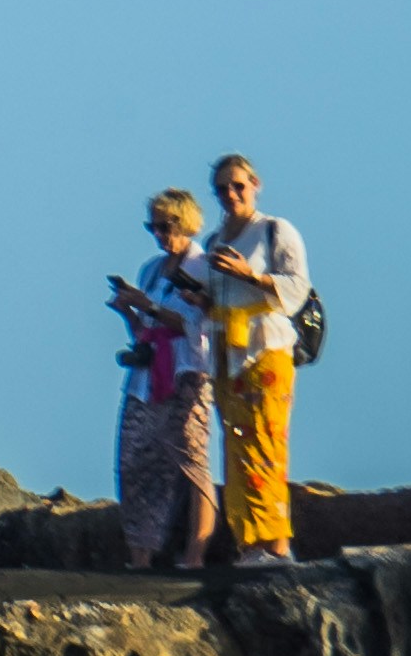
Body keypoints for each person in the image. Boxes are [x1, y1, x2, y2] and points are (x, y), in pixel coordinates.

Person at [195, 153, 313, 560]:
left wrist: (251, 275)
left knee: (266, 441)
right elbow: (216, 296)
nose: (231, 195)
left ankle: (276, 543)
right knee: (236, 445)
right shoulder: (214, 241)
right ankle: (248, 542)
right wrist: (200, 298)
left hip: (265, 348)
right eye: (222, 189)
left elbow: (297, 288)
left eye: (238, 186)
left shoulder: (274, 230)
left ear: (255, 185)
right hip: (227, 352)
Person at [108, 189, 221, 568]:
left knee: (190, 458)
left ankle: (195, 554)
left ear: (185, 222)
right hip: (147, 373)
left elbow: (195, 323)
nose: (159, 234)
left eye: (165, 226)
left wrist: (149, 306)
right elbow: (145, 330)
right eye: (153, 227)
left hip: (187, 371)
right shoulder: (151, 270)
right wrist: (129, 311)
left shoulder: (202, 267)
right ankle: (140, 555)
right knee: (135, 460)